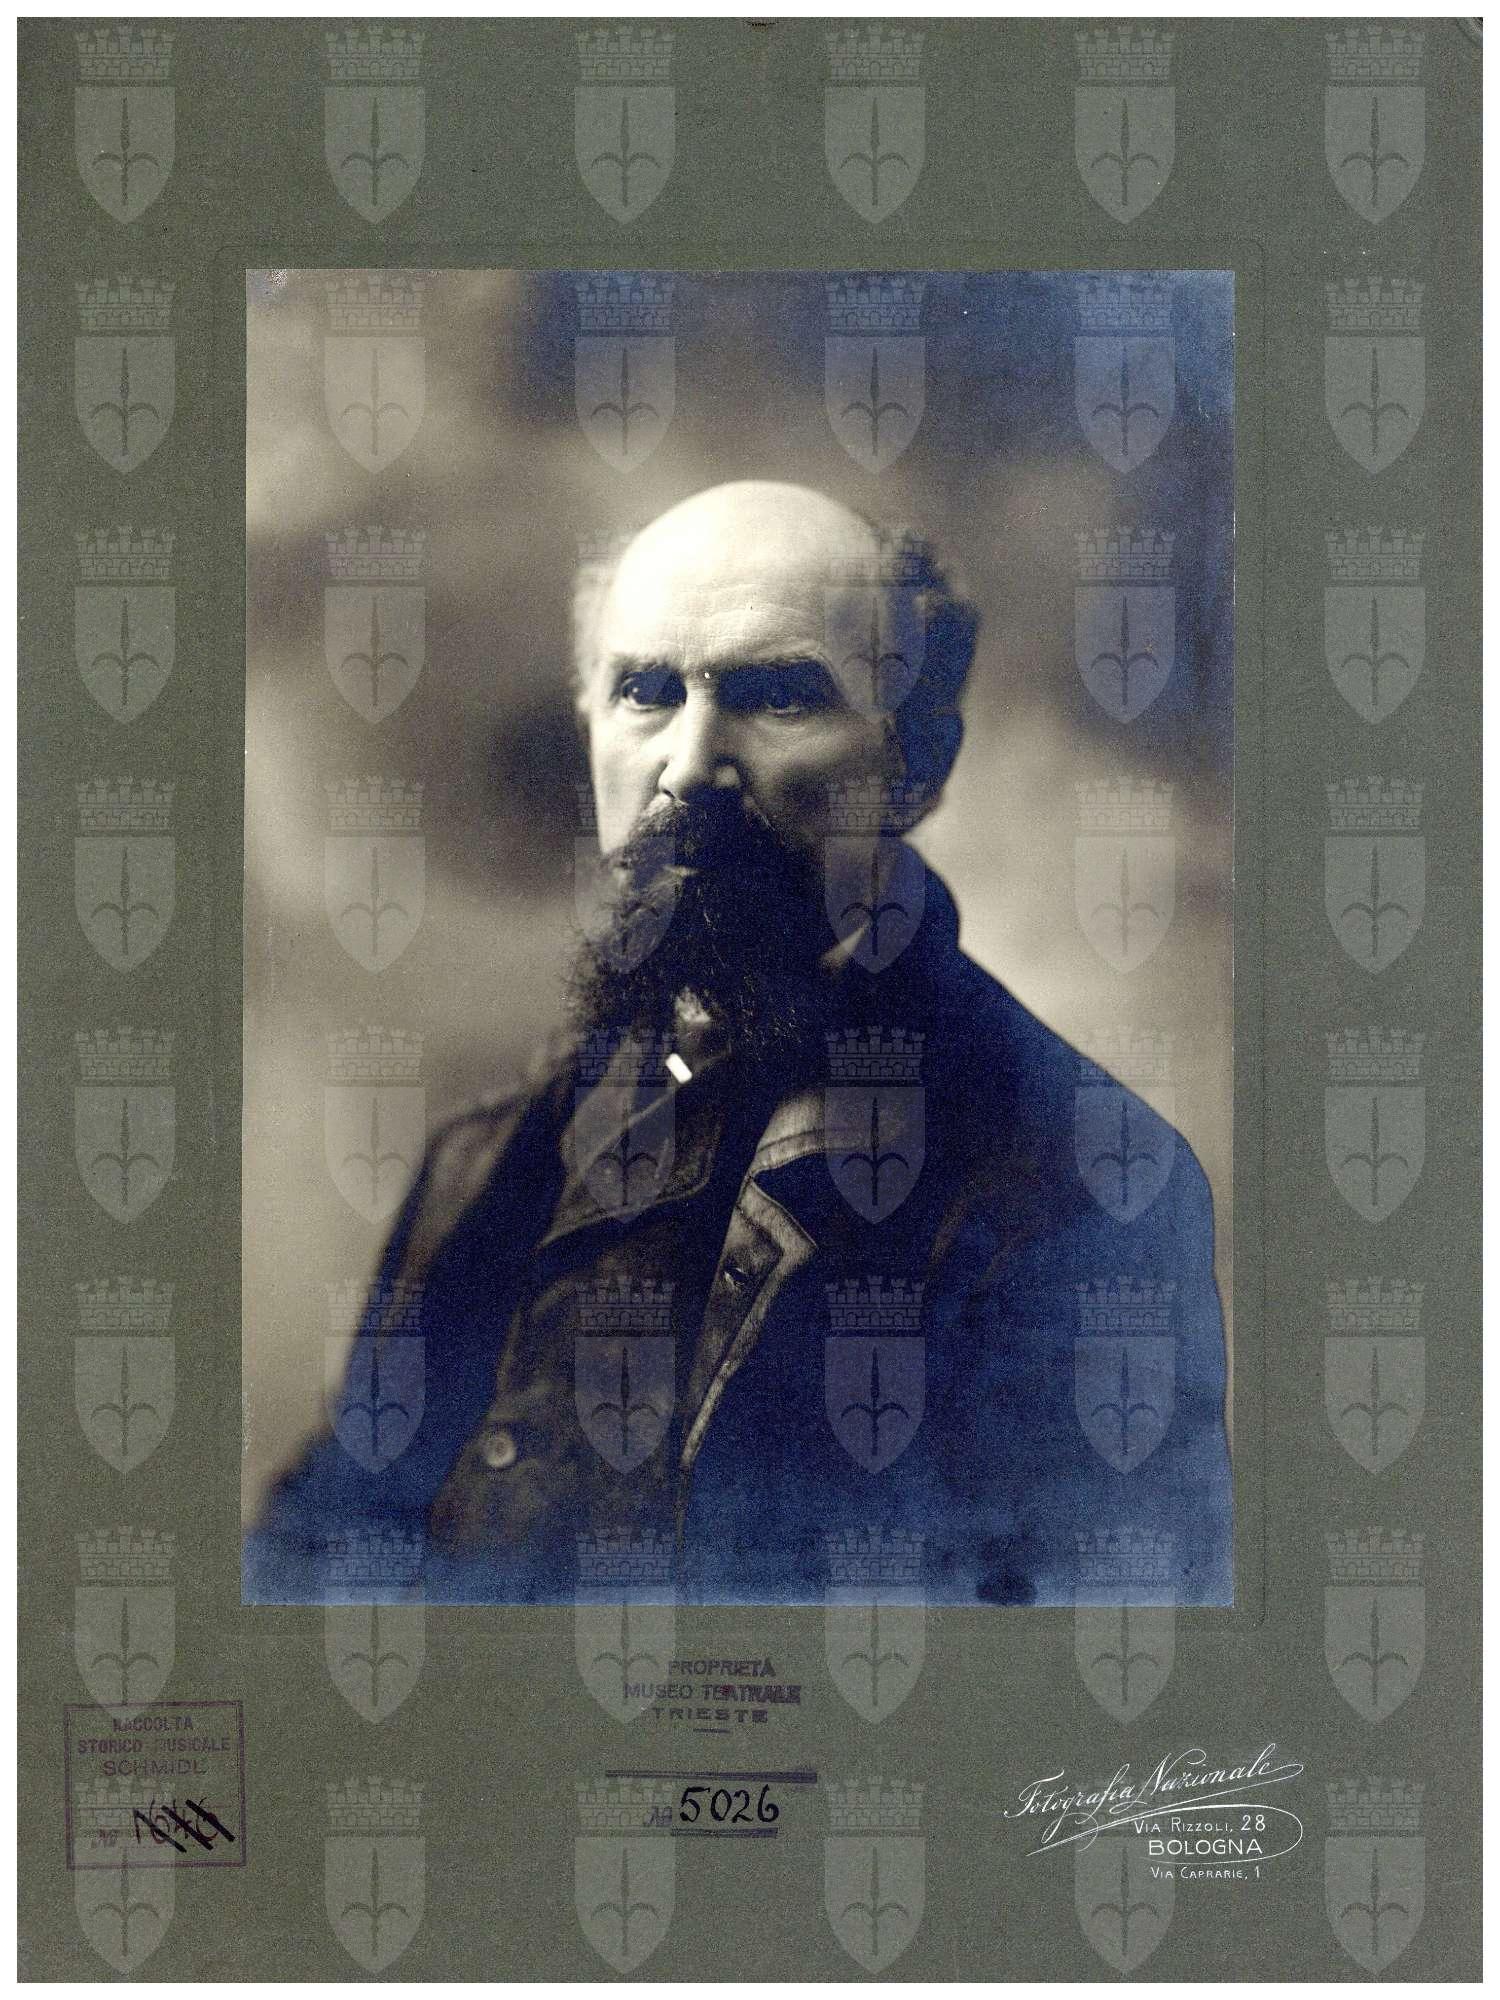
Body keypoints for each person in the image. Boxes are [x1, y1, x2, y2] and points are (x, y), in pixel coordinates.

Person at [246, 481, 1232, 1606]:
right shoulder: (481, 1163)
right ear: (590, 722)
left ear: (917, 761)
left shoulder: (1081, 1186)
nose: (690, 763)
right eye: (646, 691)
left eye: (777, 695)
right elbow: (324, 1546)